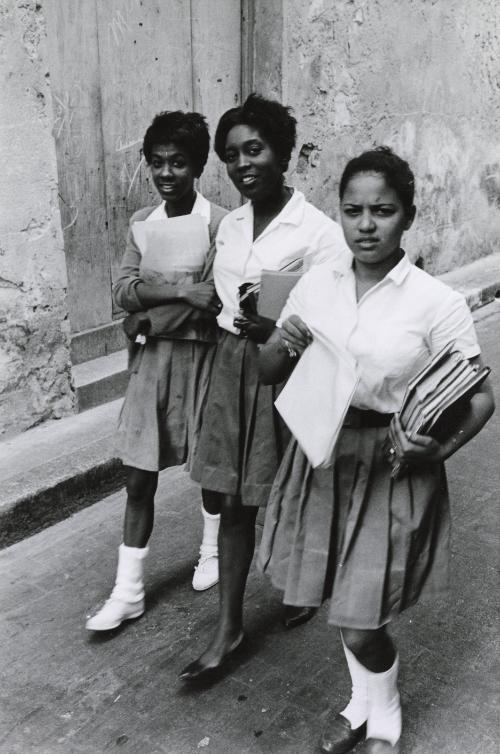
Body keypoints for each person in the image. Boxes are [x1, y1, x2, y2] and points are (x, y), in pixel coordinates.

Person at [258, 147, 494, 753]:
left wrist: (436, 450)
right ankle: (360, 703)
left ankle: (383, 713)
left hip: (392, 463)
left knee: (362, 615)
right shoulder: (316, 283)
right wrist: (281, 343)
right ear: (339, 213)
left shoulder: (434, 302)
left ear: (408, 216)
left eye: (382, 211)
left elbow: (481, 396)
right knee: (341, 595)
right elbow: (266, 369)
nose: (366, 225)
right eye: (353, 210)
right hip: (322, 455)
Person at [179, 94, 350, 680]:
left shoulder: (322, 233)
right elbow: (219, 302)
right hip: (232, 368)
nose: (242, 164)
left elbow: (335, 320)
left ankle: (303, 582)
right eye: (231, 156)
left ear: (283, 153)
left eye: (254, 149)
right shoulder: (229, 226)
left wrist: (278, 328)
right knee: (229, 497)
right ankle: (228, 628)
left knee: (290, 488)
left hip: (292, 371)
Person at [86, 111, 227, 632]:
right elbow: (122, 290)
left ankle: (211, 550)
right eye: (158, 163)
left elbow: (212, 301)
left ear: (198, 167)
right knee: (138, 474)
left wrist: (145, 317)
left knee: (211, 467)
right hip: (152, 366)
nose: (167, 174)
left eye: (179, 163)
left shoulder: (221, 223)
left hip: (203, 358)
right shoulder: (143, 222)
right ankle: (128, 592)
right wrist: (177, 291)